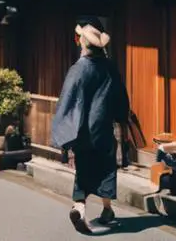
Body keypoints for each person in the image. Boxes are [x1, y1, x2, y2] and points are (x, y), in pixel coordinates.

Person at [51, 16, 130, 234]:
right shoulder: (109, 67)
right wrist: (122, 120)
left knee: (84, 170)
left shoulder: (79, 68)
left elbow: (67, 101)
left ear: (80, 41)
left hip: (82, 129)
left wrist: (63, 138)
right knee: (107, 168)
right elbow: (120, 96)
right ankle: (107, 210)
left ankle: (80, 207)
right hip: (104, 126)